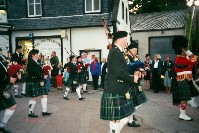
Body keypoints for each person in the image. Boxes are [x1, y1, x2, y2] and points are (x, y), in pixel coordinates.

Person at [100, 31, 139, 133]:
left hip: (118, 88)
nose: (126, 41)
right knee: (116, 118)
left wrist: (133, 74)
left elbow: (122, 70)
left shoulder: (118, 51)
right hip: (115, 88)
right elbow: (119, 72)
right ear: (120, 40)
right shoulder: (115, 52)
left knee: (123, 117)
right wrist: (132, 78)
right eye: (125, 39)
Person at [171, 35, 197, 121]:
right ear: (182, 49)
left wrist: (189, 55)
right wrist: (190, 53)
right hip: (183, 80)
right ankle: (182, 114)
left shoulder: (182, 57)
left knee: (187, 97)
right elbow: (194, 61)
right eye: (185, 48)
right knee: (183, 99)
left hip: (186, 79)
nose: (186, 49)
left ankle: (190, 103)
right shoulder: (179, 59)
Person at [26, 49, 52, 118]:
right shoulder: (30, 62)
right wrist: (42, 76)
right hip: (34, 81)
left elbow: (40, 70)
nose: (38, 55)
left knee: (44, 95)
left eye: (38, 54)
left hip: (40, 80)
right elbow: (33, 72)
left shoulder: (38, 62)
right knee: (34, 97)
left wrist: (46, 72)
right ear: (33, 55)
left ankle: (44, 111)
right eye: (37, 54)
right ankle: (30, 112)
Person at [126, 42, 147, 127]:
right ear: (130, 50)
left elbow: (139, 68)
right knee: (133, 103)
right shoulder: (127, 58)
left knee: (138, 102)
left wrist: (142, 71)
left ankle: (130, 117)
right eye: (135, 50)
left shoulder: (135, 58)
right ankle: (129, 119)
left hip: (136, 83)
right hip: (130, 83)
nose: (136, 52)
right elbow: (128, 70)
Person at [0, 53, 22, 133]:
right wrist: (8, 80)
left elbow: (6, 71)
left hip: (3, 87)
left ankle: (2, 126)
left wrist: (15, 75)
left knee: (12, 105)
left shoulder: (1, 58)